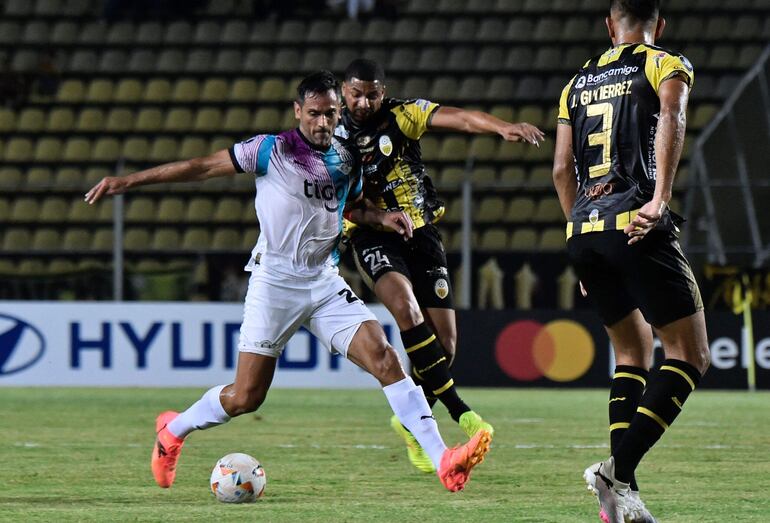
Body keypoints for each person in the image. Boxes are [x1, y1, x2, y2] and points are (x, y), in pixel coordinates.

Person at [84, 71, 491, 493]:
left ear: (338, 114)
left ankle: (442, 458)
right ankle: (173, 430)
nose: (322, 122)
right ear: (298, 112)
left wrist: (380, 217)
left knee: (386, 359)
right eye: (313, 113)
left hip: (323, 281)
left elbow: (350, 207)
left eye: (330, 114)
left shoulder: (346, 157)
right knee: (246, 398)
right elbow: (201, 167)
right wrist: (126, 181)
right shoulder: (270, 150)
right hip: (274, 282)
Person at [336, 59, 544, 473]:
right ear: (344, 91)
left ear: (383, 90)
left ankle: (411, 424)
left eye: (372, 94)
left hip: (421, 232)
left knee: (445, 345)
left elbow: (459, 118)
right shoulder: (332, 133)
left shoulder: (403, 115)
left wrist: (500, 127)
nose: (363, 102)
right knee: (407, 308)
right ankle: (455, 415)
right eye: (356, 94)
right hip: (370, 232)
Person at [551, 2, 710, 522]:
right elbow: (672, 115)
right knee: (689, 356)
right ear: (657, 25)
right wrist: (659, 199)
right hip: (635, 221)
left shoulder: (575, 83)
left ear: (608, 25)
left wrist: (580, 230)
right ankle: (615, 471)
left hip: (584, 227)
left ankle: (624, 495)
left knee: (632, 354)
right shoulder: (665, 62)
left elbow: (560, 170)